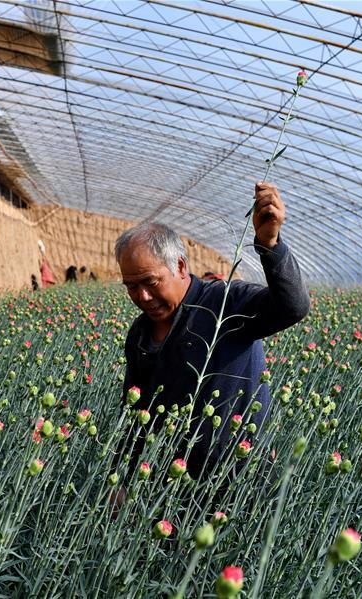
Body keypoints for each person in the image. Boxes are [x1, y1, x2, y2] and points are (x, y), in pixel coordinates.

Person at [115, 182, 310, 481]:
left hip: (239, 479)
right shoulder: (140, 334)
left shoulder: (226, 304)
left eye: (151, 283)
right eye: (131, 286)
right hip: (168, 484)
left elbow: (292, 307)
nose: (142, 297)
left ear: (180, 266)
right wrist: (124, 475)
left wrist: (271, 246)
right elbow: (134, 409)